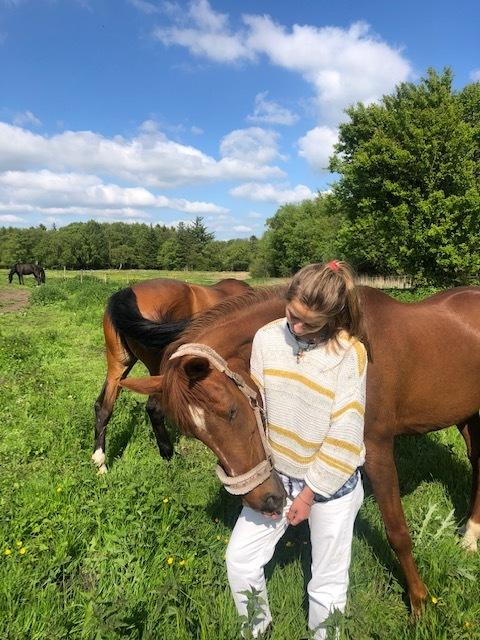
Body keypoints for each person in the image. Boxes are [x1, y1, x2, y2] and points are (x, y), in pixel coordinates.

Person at [225, 260, 367, 639]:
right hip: (278, 479)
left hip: (332, 486)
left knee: (327, 584)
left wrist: (309, 494)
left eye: (309, 323)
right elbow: (259, 415)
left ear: (334, 318)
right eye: (292, 314)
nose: (296, 327)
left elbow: (347, 433)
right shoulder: (267, 338)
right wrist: (255, 479)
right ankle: (258, 629)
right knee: (239, 560)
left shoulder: (349, 354)